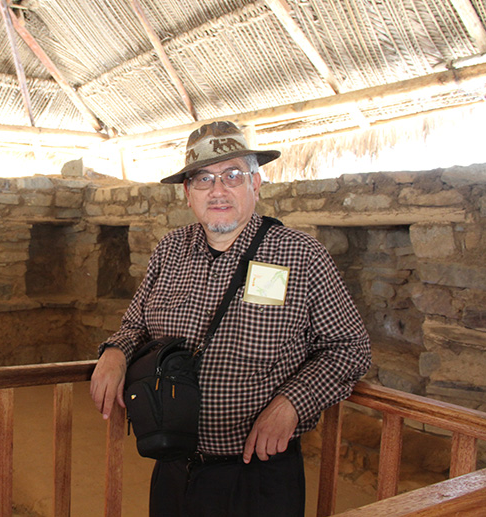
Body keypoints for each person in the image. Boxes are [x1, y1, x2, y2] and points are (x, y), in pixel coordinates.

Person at [90, 121, 371, 517]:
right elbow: (136, 324)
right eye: (204, 179)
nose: (218, 190)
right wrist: (116, 353)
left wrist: (292, 402)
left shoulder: (300, 255)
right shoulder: (170, 250)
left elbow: (349, 348)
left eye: (232, 175)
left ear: (256, 184)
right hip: (174, 465)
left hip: (257, 475)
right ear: (188, 193)